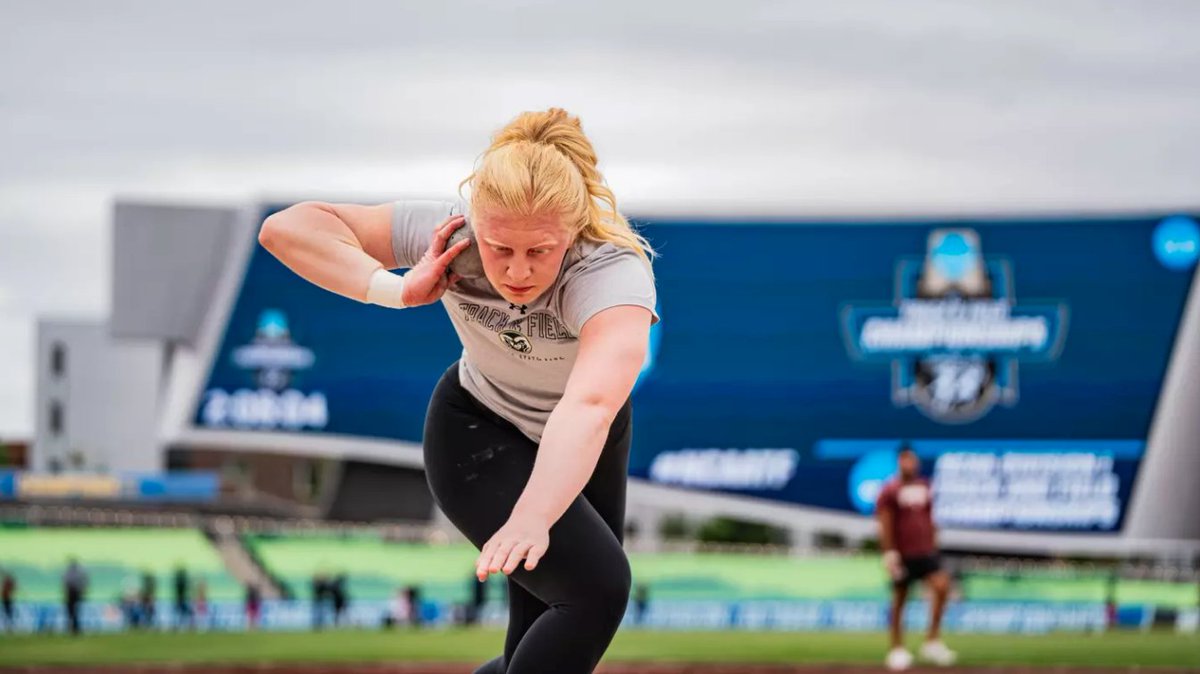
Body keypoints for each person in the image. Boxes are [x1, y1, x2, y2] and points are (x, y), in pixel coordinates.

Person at [259, 107, 657, 674]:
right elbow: (286, 229)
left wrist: (534, 514)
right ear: (476, 222)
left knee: (545, 633)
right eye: (500, 248)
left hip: (585, 436)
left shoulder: (611, 274)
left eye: (540, 251)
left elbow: (591, 404)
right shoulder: (451, 233)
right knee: (597, 590)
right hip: (477, 431)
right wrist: (395, 290)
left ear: (573, 231)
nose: (517, 271)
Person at [876, 447, 956, 670]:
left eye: (913, 459)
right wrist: (889, 552)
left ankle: (932, 640)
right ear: (900, 462)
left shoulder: (925, 486)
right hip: (902, 554)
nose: (911, 464)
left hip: (925, 552)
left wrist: (933, 543)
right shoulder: (890, 490)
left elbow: (930, 519)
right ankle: (897, 648)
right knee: (900, 599)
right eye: (906, 460)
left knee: (942, 586)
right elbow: (885, 522)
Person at [62, 557, 88, 636]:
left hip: (71, 594)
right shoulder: (79, 573)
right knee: (75, 612)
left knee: (72, 613)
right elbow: (85, 582)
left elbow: (65, 583)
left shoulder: (68, 573)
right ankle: (75, 628)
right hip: (75, 594)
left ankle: (73, 628)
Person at [173, 564, 191, 630]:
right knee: (182, 613)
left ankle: (179, 625)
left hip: (180, 600)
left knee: (180, 613)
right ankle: (181, 625)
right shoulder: (182, 582)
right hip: (181, 600)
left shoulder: (178, 582)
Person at [1, 567, 15, 632]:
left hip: (7, 599)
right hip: (6, 599)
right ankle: (8, 627)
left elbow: (13, 588)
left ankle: (9, 627)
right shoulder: (6, 582)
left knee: (8, 614)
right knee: (7, 613)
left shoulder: (8, 582)